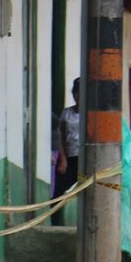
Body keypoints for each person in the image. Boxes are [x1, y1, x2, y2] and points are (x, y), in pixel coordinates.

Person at [52, 79, 82, 225]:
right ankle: (56, 224)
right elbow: (61, 136)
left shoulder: (92, 114)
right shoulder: (67, 113)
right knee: (59, 193)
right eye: (76, 93)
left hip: (84, 159)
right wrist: (62, 159)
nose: (79, 96)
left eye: (81, 93)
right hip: (69, 158)